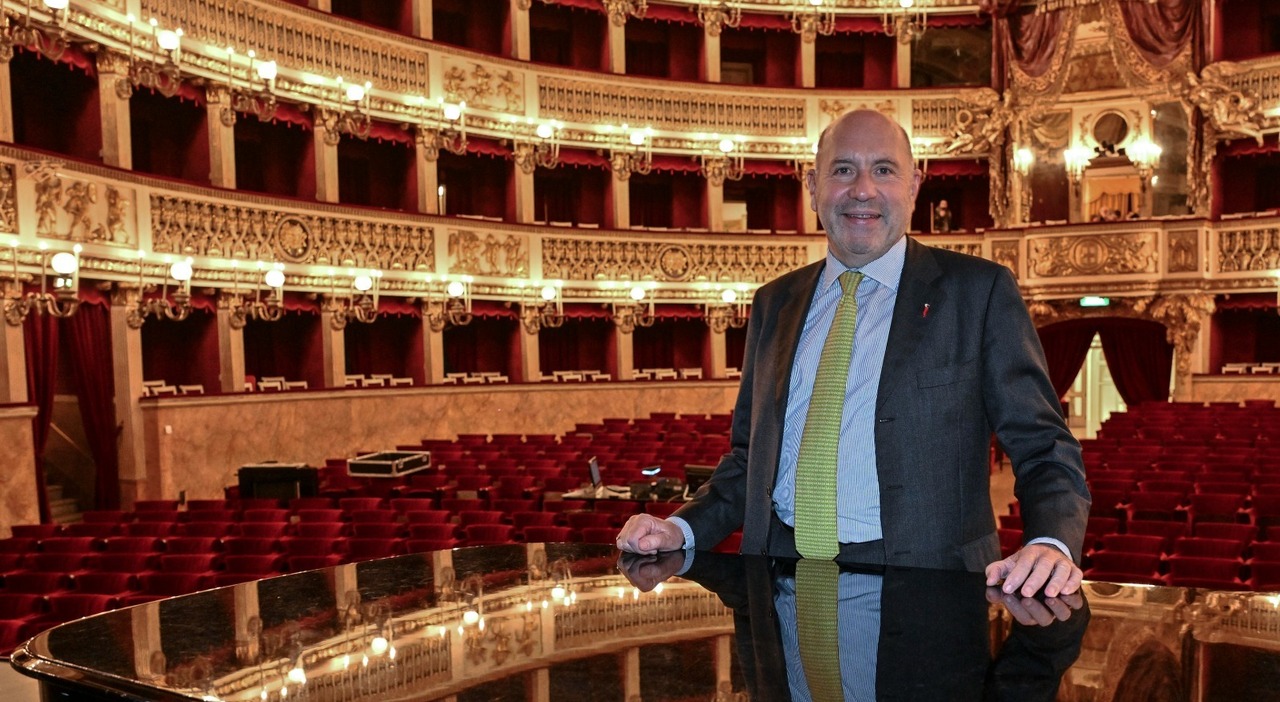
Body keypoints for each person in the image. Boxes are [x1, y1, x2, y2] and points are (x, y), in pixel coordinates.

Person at [616, 109, 1090, 598]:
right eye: (843, 169)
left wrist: (1050, 541)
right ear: (812, 187)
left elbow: (1042, 444)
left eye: (884, 169)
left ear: (914, 187)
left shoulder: (978, 292)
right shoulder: (774, 303)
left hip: (929, 586)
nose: (863, 190)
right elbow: (748, 460)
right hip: (776, 577)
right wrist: (680, 528)